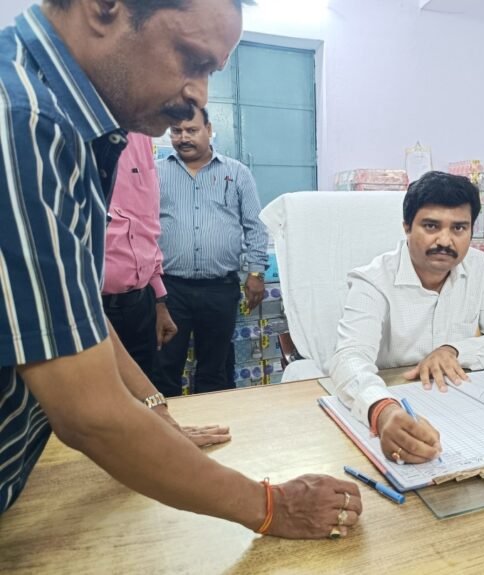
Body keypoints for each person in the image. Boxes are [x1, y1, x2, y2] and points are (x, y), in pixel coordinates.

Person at [0, 0, 361, 540]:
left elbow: (71, 313)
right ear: (104, 8)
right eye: (192, 60)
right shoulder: (24, 122)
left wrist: (154, 412)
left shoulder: (69, 123)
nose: (199, 96)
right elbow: (89, 415)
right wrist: (273, 508)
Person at [328, 171, 484, 464]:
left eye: (459, 228)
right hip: (395, 398)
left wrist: (453, 350)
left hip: (460, 407)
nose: (445, 240)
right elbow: (349, 357)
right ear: (407, 227)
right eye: (431, 226)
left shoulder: (476, 266)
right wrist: (382, 409)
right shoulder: (372, 280)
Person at [153, 106, 268, 396]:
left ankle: (214, 420)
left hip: (220, 289)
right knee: (165, 365)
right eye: (176, 131)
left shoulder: (236, 173)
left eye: (191, 130)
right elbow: (145, 228)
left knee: (215, 369)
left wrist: (256, 272)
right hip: (170, 290)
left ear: (209, 129)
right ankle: (168, 423)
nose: (183, 138)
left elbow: (254, 225)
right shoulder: (156, 173)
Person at [103, 133, 177, 378]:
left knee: (146, 389)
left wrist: (159, 300)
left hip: (139, 306)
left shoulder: (140, 136)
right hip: (87, 307)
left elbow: (147, 221)